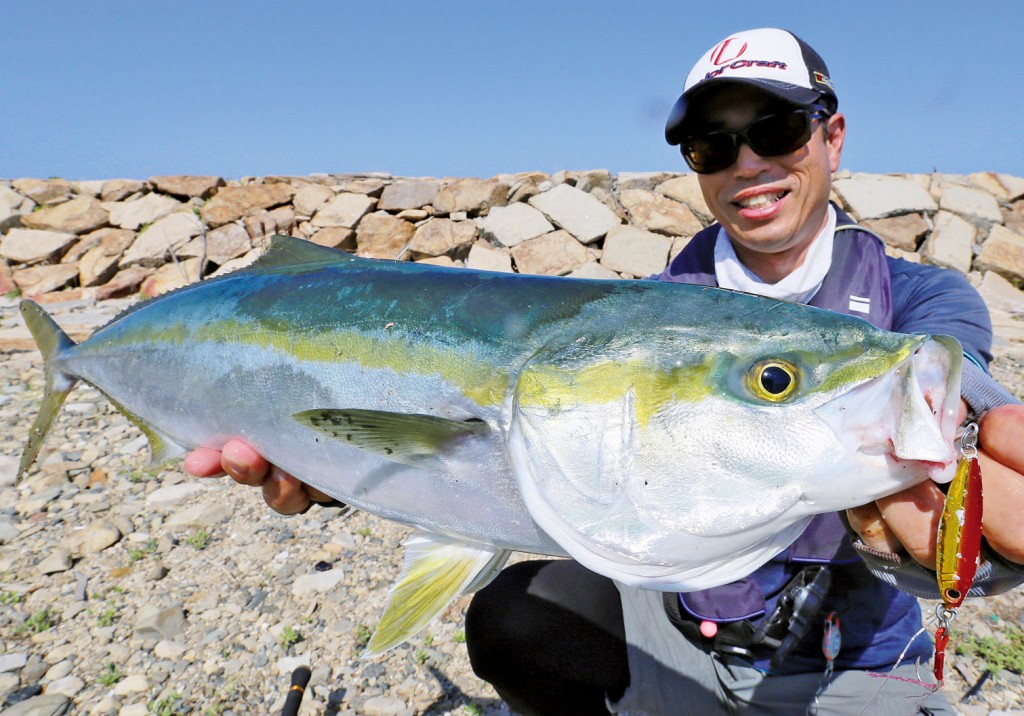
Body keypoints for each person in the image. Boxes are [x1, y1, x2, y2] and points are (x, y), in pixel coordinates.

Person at [185, 28, 1024, 715]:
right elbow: (489, 444)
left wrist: (962, 506)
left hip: (851, 663)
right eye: (712, 144)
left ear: (831, 137)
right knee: (515, 620)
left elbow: (969, 409)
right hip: (677, 633)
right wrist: (334, 468)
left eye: (776, 131)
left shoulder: (921, 305)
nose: (747, 164)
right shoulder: (643, 318)